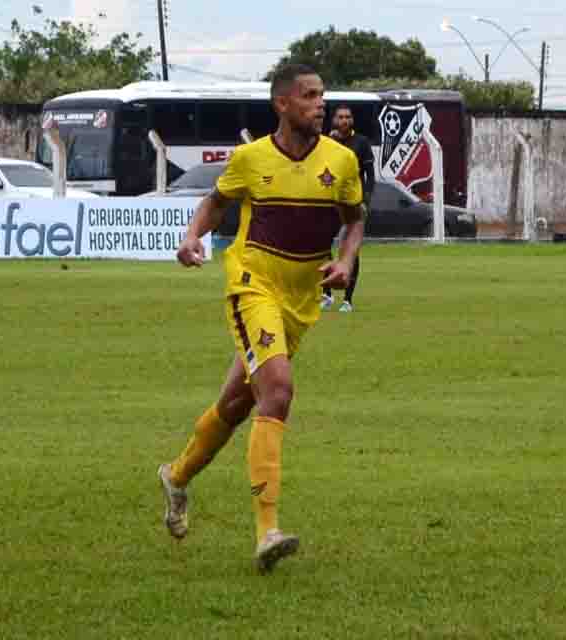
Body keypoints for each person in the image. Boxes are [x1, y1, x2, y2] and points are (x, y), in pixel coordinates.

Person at [157, 64, 365, 574]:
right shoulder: (251, 159)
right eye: (310, 96)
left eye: (322, 95)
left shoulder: (341, 161)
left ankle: (177, 477)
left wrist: (345, 260)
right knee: (278, 390)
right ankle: (267, 531)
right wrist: (192, 238)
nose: (321, 104)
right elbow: (216, 201)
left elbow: (355, 220)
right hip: (253, 284)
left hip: (301, 297)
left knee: (235, 403)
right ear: (283, 104)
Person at [320, 104, 375, 313]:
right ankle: (326, 294)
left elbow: (371, 176)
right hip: (329, 203)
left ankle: (347, 300)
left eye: (347, 117)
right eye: (340, 117)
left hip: (352, 204)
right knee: (322, 247)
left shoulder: (361, 143)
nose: (344, 120)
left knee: (350, 250)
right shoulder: (327, 142)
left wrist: (365, 201)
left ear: (352, 120)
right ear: (334, 120)